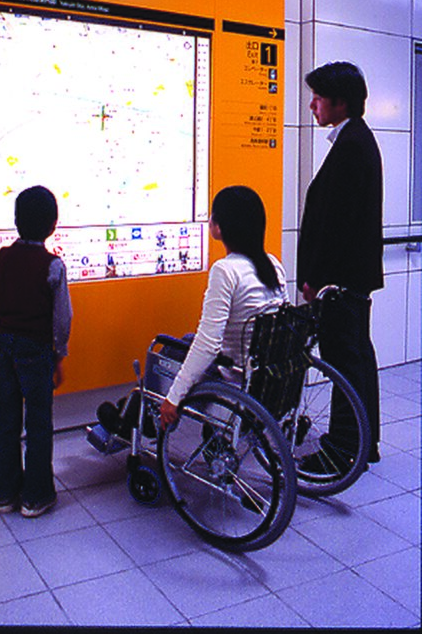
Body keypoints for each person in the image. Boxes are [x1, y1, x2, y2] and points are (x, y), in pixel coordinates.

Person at [297, 61, 383, 468]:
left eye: (318, 97)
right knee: (358, 357)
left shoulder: (351, 147)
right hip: (351, 278)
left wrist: (316, 278)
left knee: (344, 363)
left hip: (340, 282)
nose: (312, 105)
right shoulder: (355, 141)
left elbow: (336, 225)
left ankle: (342, 451)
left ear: (340, 102)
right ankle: (365, 443)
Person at [0, 185, 72, 517]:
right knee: (38, 423)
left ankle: (4, 493)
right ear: (52, 225)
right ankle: (35, 496)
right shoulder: (53, 266)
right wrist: (59, 355)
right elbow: (62, 318)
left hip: (3, 346)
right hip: (37, 351)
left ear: (15, 221)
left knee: (6, 420)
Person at [159, 186, 289, 430]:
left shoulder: (225, 271)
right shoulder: (272, 264)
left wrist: (173, 397)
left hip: (235, 373)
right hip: (266, 372)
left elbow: (208, 345)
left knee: (164, 351)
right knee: (187, 340)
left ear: (219, 227)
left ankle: (147, 419)